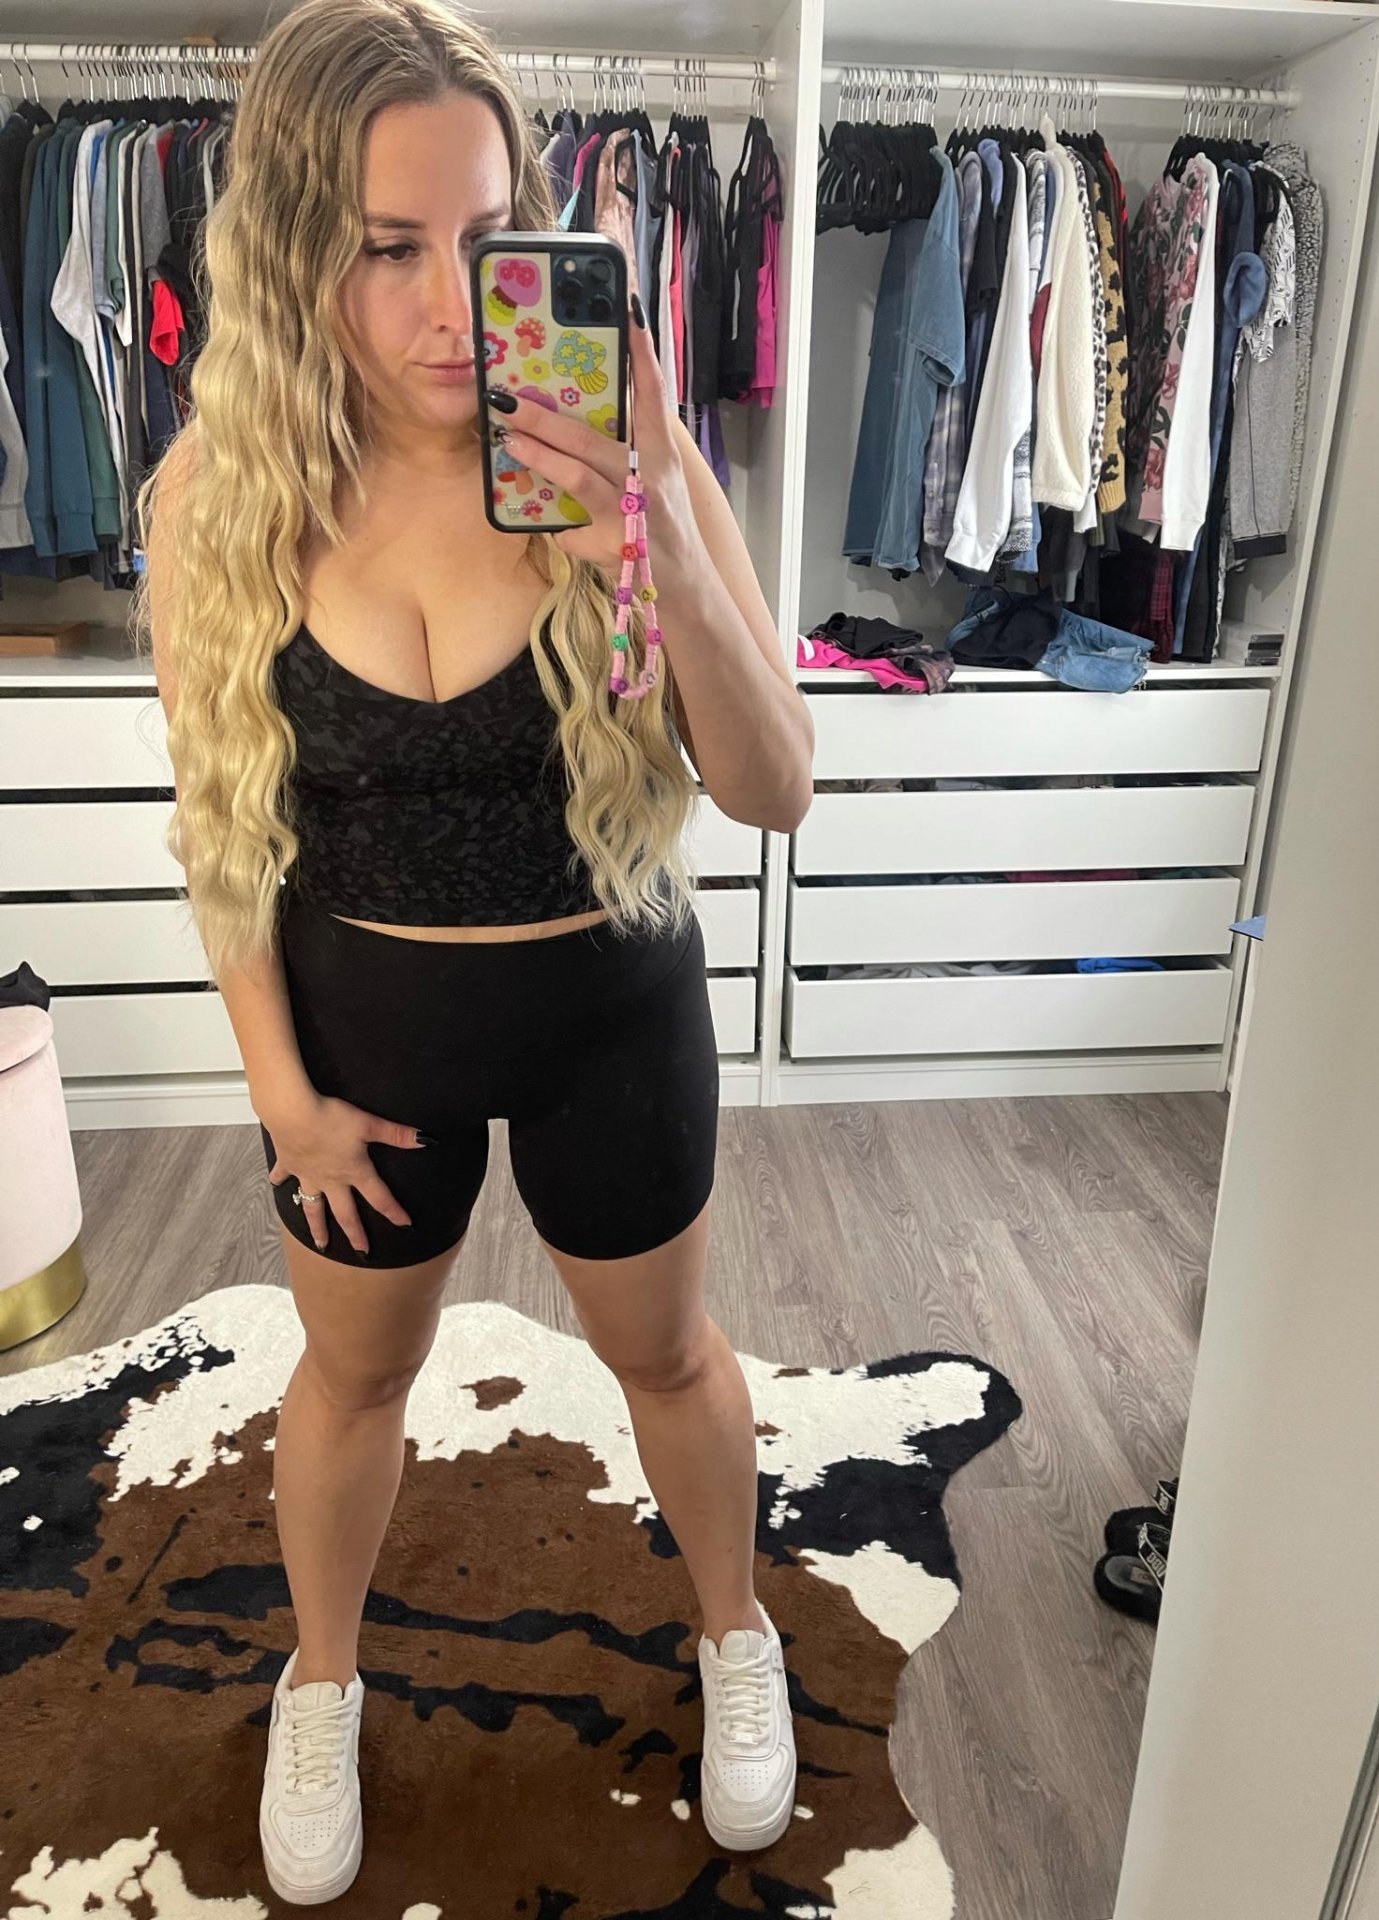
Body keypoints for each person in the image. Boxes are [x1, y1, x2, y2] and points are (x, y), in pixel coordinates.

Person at [132, 0, 813, 1901]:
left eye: (489, 237)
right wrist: (283, 1099)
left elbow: (775, 786)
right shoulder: (223, 502)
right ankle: (321, 1678)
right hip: (370, 1034)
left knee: (667, 1360)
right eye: (386, 247)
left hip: (612, 1010)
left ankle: (735, 1629)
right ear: (296, 251)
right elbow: (225, 832)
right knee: (349, 1382)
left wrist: (652, 527)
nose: (452, 307)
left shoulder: (618, 453)